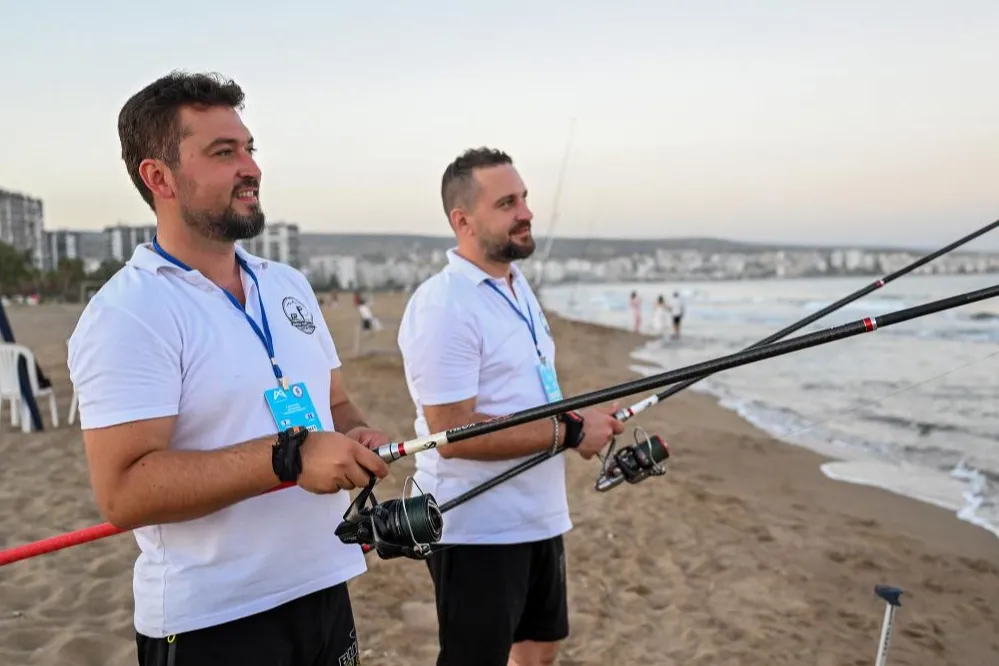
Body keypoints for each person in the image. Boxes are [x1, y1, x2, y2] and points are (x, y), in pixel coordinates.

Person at [67, 71, 391, 666]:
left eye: (249, 148)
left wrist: (356, 434)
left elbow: (335, 403)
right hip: (213, 619)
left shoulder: (286, 283)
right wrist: (290, 457)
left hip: (323, 587)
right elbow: (124, 492)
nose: (251, 168)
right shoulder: (128, 311)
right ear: (159, 177)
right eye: (223, 153)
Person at [397, 147, 627, 666]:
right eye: (506, 203)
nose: (525, 212)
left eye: (523, 198)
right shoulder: (444, 304)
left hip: (537, 515)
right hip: (477, 526)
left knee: (539, 650)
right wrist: (571, 431)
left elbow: (525, 395)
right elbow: (450, 432)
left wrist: (583, 420)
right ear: (462, 221)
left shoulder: (516, 285)